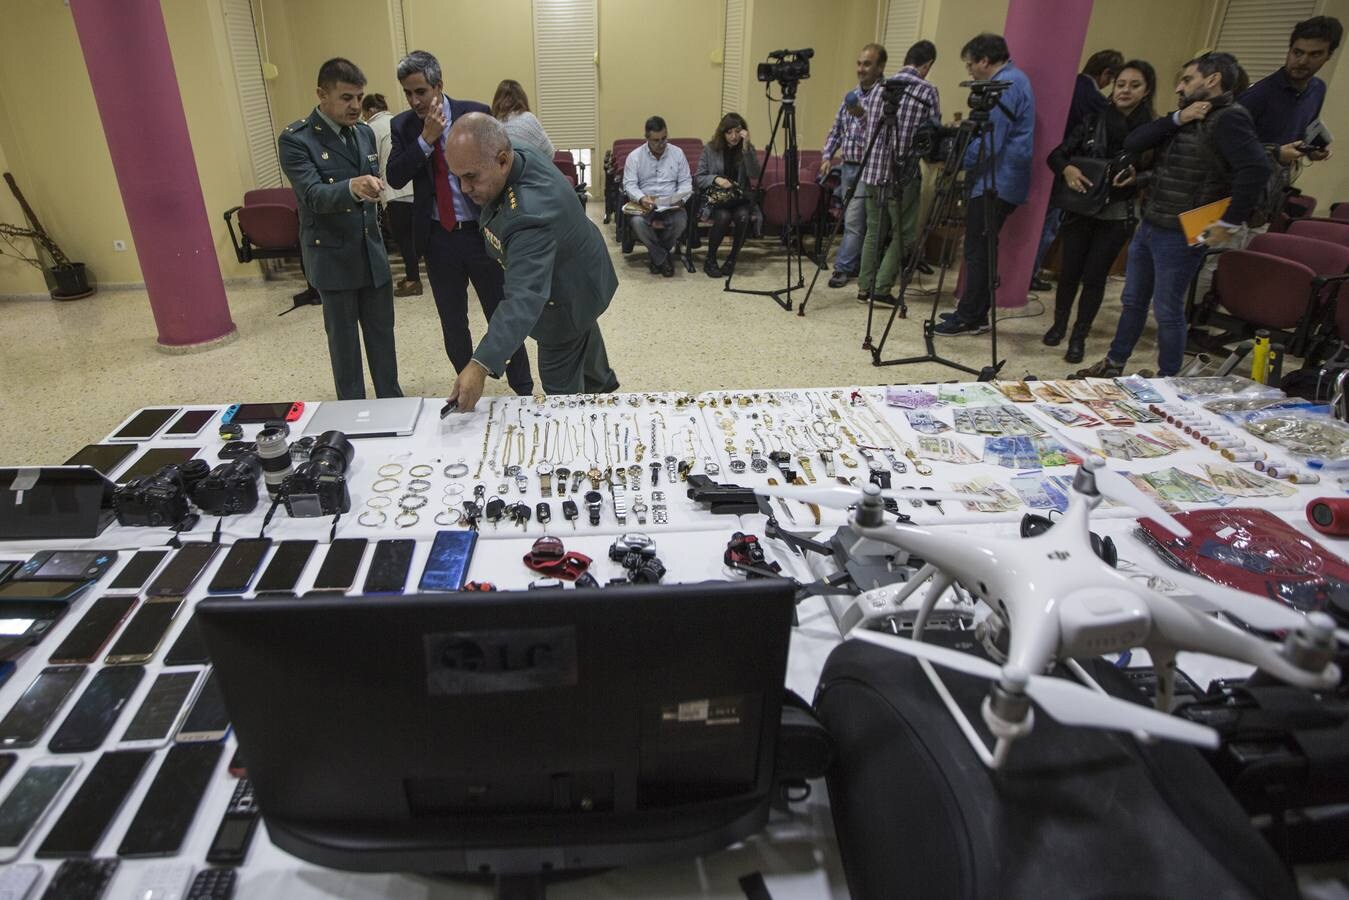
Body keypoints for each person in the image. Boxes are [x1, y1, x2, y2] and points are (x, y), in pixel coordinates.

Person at [1074, 52, 1272, 379]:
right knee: (1132, 300)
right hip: (1152, 222)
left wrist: (1224, 227)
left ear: (1212, 80)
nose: (1180, 86)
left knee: (1167, 310)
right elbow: (1143, 147)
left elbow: (1255, 170)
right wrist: (1175, 122)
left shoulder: (1230, 118)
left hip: (1184, 231)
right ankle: (1114, 364)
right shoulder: (1189, 115)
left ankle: (1170, 382)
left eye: (1187, 79)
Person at [443, 113, 619, 410]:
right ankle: (605, 399)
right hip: (583, 274)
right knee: (587, 344)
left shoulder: (528, 215)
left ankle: (580, 438)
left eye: (471, 176)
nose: (463, 188)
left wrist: (480, 363)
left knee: (561, 400)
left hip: (562, 303)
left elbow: (523, 298)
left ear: (502, 160)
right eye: (457, 176)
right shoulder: (517, 147)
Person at [385, 50, 534, 396]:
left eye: (420, 91)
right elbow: (394, 176)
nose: (414, 100)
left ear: (439, 85)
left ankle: (523, 388)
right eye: (407, 93)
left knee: (501, 314)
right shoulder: (404, 127)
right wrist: (426, 140)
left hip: (482, 234)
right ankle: (469, 387)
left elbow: (504, 167)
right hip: (438, 239)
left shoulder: (475, 113)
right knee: (453, 324)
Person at [278, 58, 402, 401]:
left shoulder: (363, 133)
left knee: (383, 341)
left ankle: (392, 404)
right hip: (333, 258)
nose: (356, 106)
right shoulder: (297, 139)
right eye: (346, 98)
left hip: (371, 254)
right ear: (322, 94)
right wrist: (352, 187)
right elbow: (312, 195)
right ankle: (353, 414)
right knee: (345, 349)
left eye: (359, 97)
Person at [1044, 60, 1156, 365]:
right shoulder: (1094, 120)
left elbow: (1160, 171)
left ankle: (1080, 335)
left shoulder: (1153, 130)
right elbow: (1056, 155)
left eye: (1134, 85)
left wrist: (1139, 178)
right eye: (1121, 84)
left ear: (1146, 91)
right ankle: (1059, 324)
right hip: (1081, 206)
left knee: (1095, 277)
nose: (1125, 91)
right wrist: (1067, 170)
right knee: (1069, 272)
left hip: (1118, 212)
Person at [936, 34, 1035, 336]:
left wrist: (956, 160)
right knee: (981, 247)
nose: (970, 72)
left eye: (970, 65)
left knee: (977, 250)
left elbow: (991, 140)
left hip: (996, 182)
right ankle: (975, 312)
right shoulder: (1018, 80)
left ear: (984, 61)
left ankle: (969, 317)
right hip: (1000, 180)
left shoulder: (1005, 86)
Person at [1030, 49, 1123, 292]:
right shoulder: (1094, 99)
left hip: (1041, 161)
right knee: (1049, 224)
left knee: (1034, 222)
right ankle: (1030, 274)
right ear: (1106, 74)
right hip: (1066, 168)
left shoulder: (1065, 84)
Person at [856, 40, 939, 306]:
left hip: (871, 173)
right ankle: (881, 288)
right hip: (901, 177)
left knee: (873, 232)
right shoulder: (927, 91)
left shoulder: (880, 87)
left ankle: (863, 287)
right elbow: (932, 136)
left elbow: (866, 124)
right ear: (927, 65)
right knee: (904, 234)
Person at [818, 43, 885, 289]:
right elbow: (836, 130)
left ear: (880, 67)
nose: (861, 68)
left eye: (867, 64)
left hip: (873, 167)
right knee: (853, 219)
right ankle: (849, 265)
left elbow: (881, 134)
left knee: (863, 221)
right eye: (859, 63)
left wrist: (863, 116)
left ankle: (847, 267)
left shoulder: (884, 97)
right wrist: (827, 156)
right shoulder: (850, 96)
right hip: (849, 166)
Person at [362, 93, 422, 298]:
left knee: (403, 239)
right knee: (416, 237)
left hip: (394, 192)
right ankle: (413, 276)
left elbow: (370, 161)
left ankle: (414, 280)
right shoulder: (399, 123)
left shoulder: (369, 129)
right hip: (415, 188)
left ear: (369, 110)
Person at [622, 115, 692, 277]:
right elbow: (630, 184)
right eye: (656, 140)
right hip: (646, 203)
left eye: (664, 139)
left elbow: (686, 182)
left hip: (671, 203)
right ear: (647, 138)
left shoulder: (677, 153)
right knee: (637, 223)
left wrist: (681, 198)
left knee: (681, 221)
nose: (661, 144)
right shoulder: (635, 157)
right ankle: (662, 258)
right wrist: (641, 198)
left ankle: (657, 256)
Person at [693, 112, 760, 277]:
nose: (734, 136)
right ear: (722, 133)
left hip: (739, 198)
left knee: (743, 217)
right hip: (718, 199)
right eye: (729, 132)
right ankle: (710, 259)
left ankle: (732, 259)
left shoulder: (746, 149)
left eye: (737, 132)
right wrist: (716, 179)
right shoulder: (710, 149)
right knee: (723, 217)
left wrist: (746, 148)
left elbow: (755, 174)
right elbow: (699, 178)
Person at [491, 79, 556, 161]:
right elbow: (550, 153)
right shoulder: (529, 118)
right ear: (522, 98)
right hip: (530, 171)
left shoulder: (492, 124)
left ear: (497, 100)